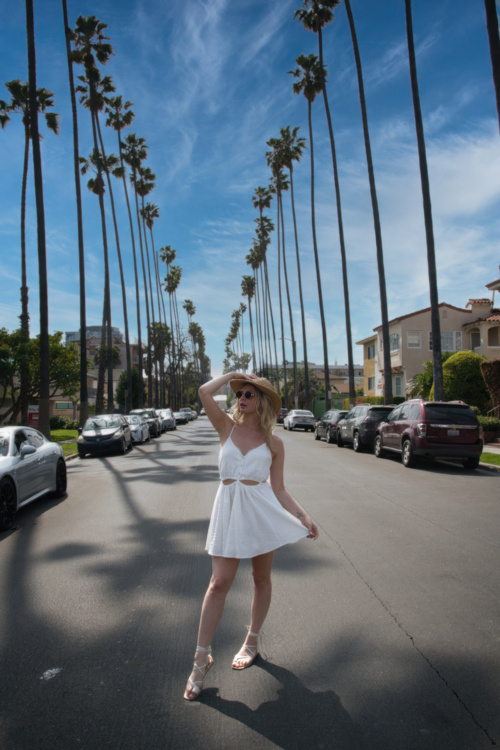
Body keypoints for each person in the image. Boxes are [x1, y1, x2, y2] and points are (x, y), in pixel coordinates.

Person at [184, 371, 319, 701]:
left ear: (262, 401)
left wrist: (303, 516)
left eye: (248, 394)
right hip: (228, 511)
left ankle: (252, 640)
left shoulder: (275, 443)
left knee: (261, 579)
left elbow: (279, 488)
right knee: (219, 583)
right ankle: (201, 658)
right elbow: (204, 392)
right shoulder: (226, 428)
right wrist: (232, 374)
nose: (241, 399)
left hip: (261, 511)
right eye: (239, 394)